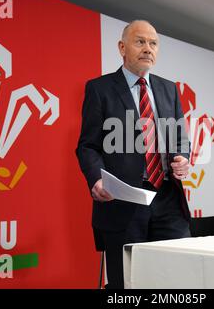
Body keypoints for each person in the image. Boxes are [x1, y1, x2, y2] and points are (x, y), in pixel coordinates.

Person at [76, 20, 191, 289]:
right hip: (123, 201)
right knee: (127, 283)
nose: (147, 48)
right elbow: (88, 146)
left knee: (174, 279)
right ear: (122, 47)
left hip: (168, 200)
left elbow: (179, 138)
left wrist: (183, 158)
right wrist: (96, 180)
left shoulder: (168, 88)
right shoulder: (99, 88)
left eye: (153, 43)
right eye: (140, 42)